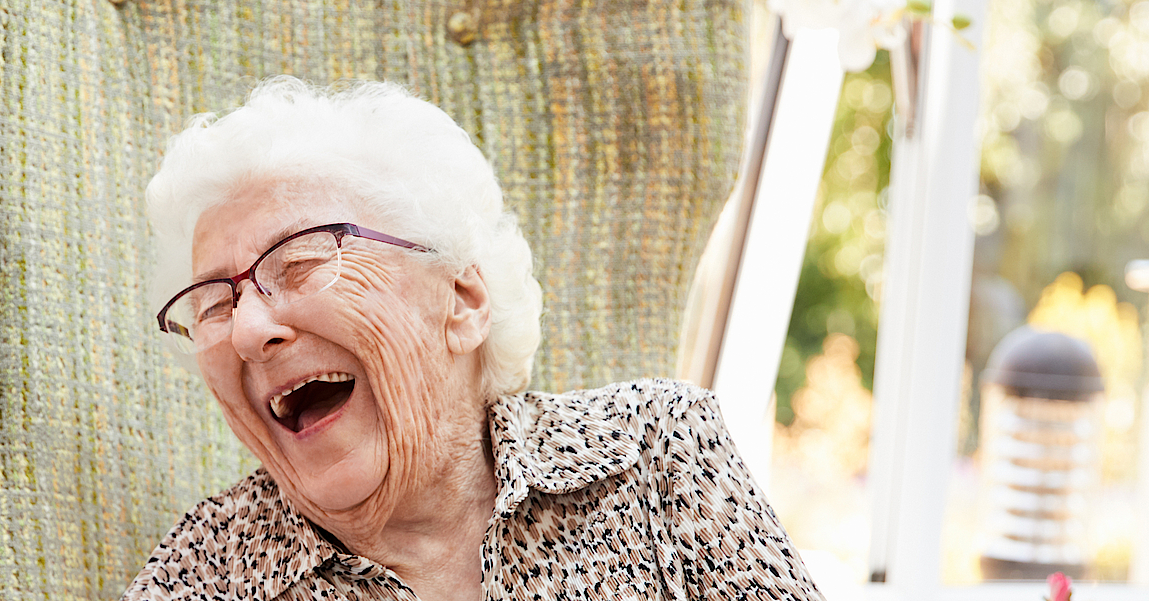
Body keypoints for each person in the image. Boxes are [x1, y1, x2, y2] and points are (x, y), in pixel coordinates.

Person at [122, 78, 822, 601]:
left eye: (302, 261)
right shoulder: (203, 577)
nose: (247, 329)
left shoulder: (654, 452)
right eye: (214, 303)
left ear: (461, 300)